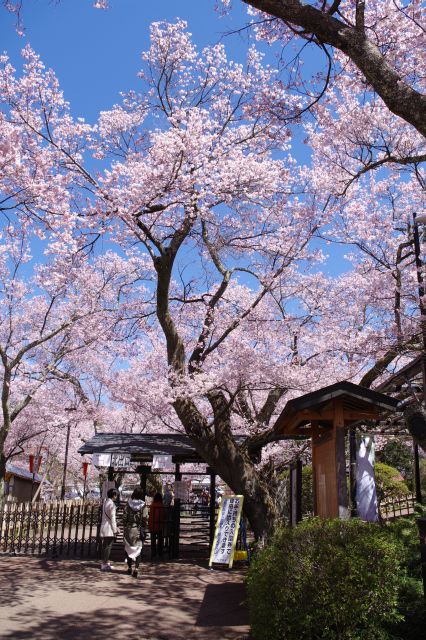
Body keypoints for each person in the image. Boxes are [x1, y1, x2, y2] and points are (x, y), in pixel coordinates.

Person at [122, 487, 148, 578]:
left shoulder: (128, 504)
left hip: (129, 529)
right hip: (138, 529)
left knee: (128, 548)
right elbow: (145, 517)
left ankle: (129, 567)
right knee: (138, 549)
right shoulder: (143, 505)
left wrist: (125, 525)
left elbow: (124, 517)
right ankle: (136, 569)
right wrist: (144, 526)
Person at [100, 487, 118, 571]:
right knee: (108, 546)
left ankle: (106, 562)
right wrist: (115, 530)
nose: (117, 497)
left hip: (104, 526)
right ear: (114, 495)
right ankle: (104, 563)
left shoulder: (105, 503)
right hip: (109, 528)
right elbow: (113, 519)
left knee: (105, 546)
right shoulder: (112, 505)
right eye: (116, 495)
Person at [148, 492, 165, 560]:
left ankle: (153, 553)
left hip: (152, 525)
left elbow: (150, 516)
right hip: (160, 526)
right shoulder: (162, 506)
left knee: (153, 540)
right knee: (160, 540)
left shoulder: (152, 506)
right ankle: (160, 553)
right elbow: (163, 516)